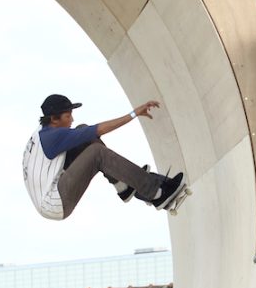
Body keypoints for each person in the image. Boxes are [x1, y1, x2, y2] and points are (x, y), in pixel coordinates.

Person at [23, 94, 185, 220]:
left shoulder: (41, 133)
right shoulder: (53, 137)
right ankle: (157, 193)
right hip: (55, 203)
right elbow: (99, 129)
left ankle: (122, 186)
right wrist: (134, 113)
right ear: (54, 119)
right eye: (67, 116)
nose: (72, 119)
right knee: (97, 153)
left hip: (51, 190)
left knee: (82, 130)